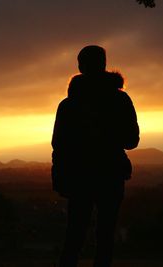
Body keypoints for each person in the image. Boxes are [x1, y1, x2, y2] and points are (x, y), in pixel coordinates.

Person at [51, 45, 139, 267]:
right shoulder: (120, 100)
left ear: (80, 66)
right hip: (111, 174)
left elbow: (59, 145)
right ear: (104, 65)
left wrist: (60, 177)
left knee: (74, 235)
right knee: (106, 236)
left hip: (78, 176)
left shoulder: (69, 105)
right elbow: (132, 141)